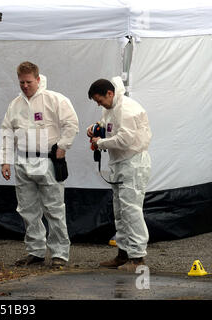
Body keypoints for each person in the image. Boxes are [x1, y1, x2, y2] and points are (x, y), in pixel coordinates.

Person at [0, 61, 79, 268]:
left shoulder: (54, 99)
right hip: (23, 159)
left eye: (28, 82)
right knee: (27, 209)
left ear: (37, 79)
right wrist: (5, 161)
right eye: (21, 82)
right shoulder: (15, 104)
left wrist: (62, 147)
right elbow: (7, 133)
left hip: (47, 159)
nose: (25, 86)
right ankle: (35, 251)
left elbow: (71, 124)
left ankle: (60, 253)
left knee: (54, 208)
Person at [87, 77, 152, 272]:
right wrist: (94, 128)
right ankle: (123, 254)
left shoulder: (127, 109)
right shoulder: (110, 108)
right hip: (118, 163)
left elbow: (125, 139)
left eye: (100, 100)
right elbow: (106, 125)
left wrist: (100, 143)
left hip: (133, 163)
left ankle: (138, 257)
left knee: (131, 210)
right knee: (120, 211)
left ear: (110, 93)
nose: (99, 104)